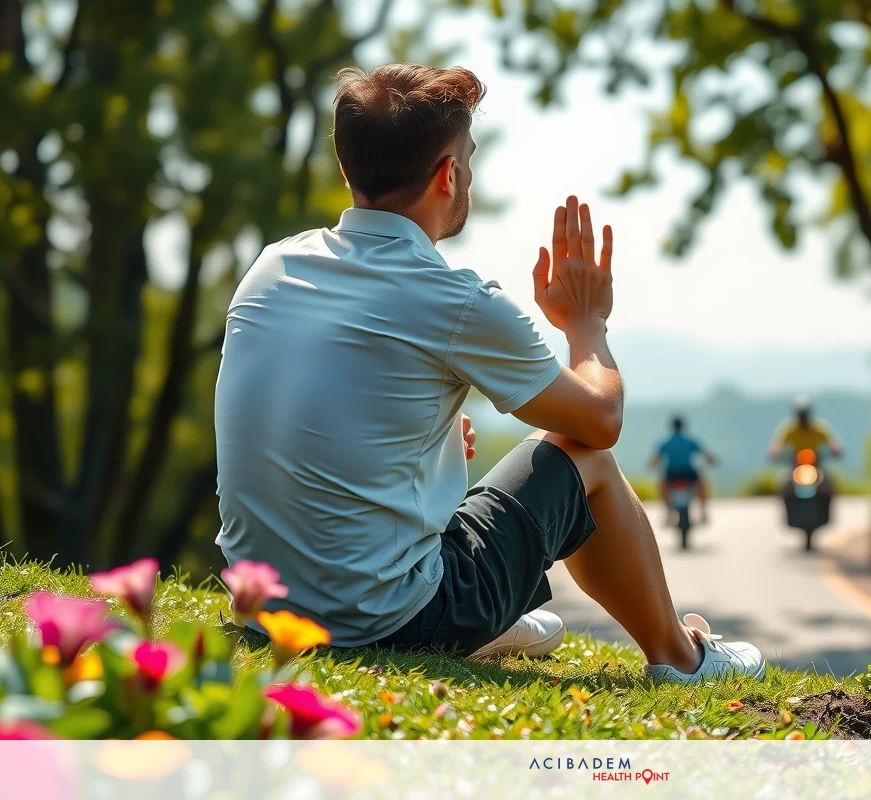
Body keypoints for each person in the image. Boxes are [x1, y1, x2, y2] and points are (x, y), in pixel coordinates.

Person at [214, 64, 763, 682]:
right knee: (583, 455)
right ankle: (681, 657)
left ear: (349, 168)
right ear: (448, 175)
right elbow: (600, 418)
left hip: (263, 611)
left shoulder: (273, 267)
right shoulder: (453, 300)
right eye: (467, 158)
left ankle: (491, 624)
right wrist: (586, 325)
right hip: (389, 622)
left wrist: (436, 449)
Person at [650, 416, 717, 525]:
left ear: (672, 427)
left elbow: (655, 459)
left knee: (662, 486)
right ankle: (703, 511)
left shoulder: (666, 441)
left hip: (671, 473)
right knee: (701, 483)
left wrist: (652, 465)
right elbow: (706, 454)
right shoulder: (690, 440)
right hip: (689, 472)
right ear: (683, 427)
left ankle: (668, 512)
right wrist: (712, 461)